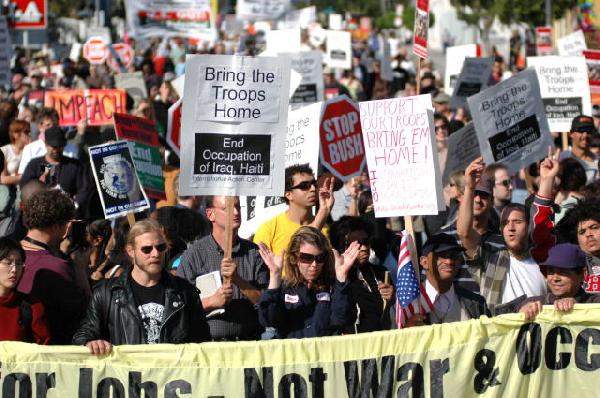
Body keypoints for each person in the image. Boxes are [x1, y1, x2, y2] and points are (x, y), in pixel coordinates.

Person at [73, 219, 210, 354]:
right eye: (147, 249)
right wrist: (90, 342)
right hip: (128, 374)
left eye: (161, 247)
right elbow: (83, 334)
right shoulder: (107, 293)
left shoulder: (185, 292)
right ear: (131, 251)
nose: (155, 254)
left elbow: (203, 345)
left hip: (171, 374)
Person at [176, 196, 268, 341]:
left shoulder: (253, 253)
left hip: (249, 344)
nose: (236, 213)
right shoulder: (193, 256)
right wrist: (211, 302)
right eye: (228, 209)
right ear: (210, 214)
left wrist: (238, 280)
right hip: (209, 347)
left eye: (238, 207)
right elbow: (179, 307)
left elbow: (266, 303)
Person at [257, 226, 357, 338]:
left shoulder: (333, 286)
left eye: (320, 258)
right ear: (294, 257)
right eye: (306, 258)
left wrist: (341, 278)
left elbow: (342, 320)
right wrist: (275, 276)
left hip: (324, 353)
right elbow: (269, 321)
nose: (314, 264)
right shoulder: (283, 288)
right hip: (293, 354)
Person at [17, 189, 88, 344]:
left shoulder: (7, 255)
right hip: (48, 351)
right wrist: (81, 269)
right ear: (58, 226)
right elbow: (84, 315)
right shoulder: (57, 267)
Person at [254, 164, 335, 258]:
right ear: (288, 194)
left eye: (314, 184)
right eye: (305, 186)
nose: (313, 189)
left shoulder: (325, 229)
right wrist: (323, 213)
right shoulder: (269, 229)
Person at [330, 217, 394, 333]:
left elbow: (392, 315)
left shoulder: (381, 273)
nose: (364, 248)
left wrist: (392, 298)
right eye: (356, 244)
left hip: (383, 344)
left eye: (366, 241)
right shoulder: (332, 277)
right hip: (353, 347)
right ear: (341, 246)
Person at [411, 233, 490, 325]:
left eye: (454, 255)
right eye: (442, 255)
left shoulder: (476, 303)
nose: (449, 261)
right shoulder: (407, 304)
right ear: (424, 262)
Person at [20, 126, 92, 214]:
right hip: (41, 212)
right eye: (53, 146)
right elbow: (25, 187)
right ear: (46, 144)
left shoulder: (75, 166)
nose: (56, 150)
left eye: (59, 146)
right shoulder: (35, 165)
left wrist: (75, 205)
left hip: (67, 212)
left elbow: (84, 189)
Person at [519, 244, 600, 320]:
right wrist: (519, 313)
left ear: (582, 274)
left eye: (563, 272)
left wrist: (579, 308)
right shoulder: (534, 303)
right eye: (550, 271)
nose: (555, 278)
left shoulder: (596, 304)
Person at [0, 237, 50, 343]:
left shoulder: (32, 306)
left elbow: (43, 350)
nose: (14, 270)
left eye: (18, 263)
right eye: (8, 263)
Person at [17, 107, 59, 175]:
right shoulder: (30, 149)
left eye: (55, 125)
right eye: (48, 125)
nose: (53, 129)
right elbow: (23, 174)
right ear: (40, 127)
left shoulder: (68, 148)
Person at [560, 115, 598, 183]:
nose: (585, 135)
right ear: (571, 133)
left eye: (589, 131)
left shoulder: (598, 161)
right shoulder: (561, 159)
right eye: (581, 130)